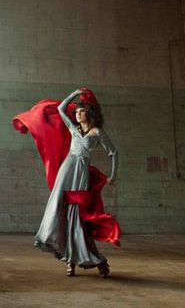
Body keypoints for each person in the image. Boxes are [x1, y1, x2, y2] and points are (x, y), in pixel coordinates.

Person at [32, 88, 118, 277]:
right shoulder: (73, 129)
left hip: (81, 174)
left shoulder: (97, 133)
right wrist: (74, 94)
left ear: (89, 113)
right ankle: (69, 261)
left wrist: (112, 176)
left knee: (78, 216)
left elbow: (114, 152)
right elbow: (62, 109)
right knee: (61, 210)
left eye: (81, 111)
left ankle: (98, 261)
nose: (78, 114)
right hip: (66, 171)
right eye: (77, 112)